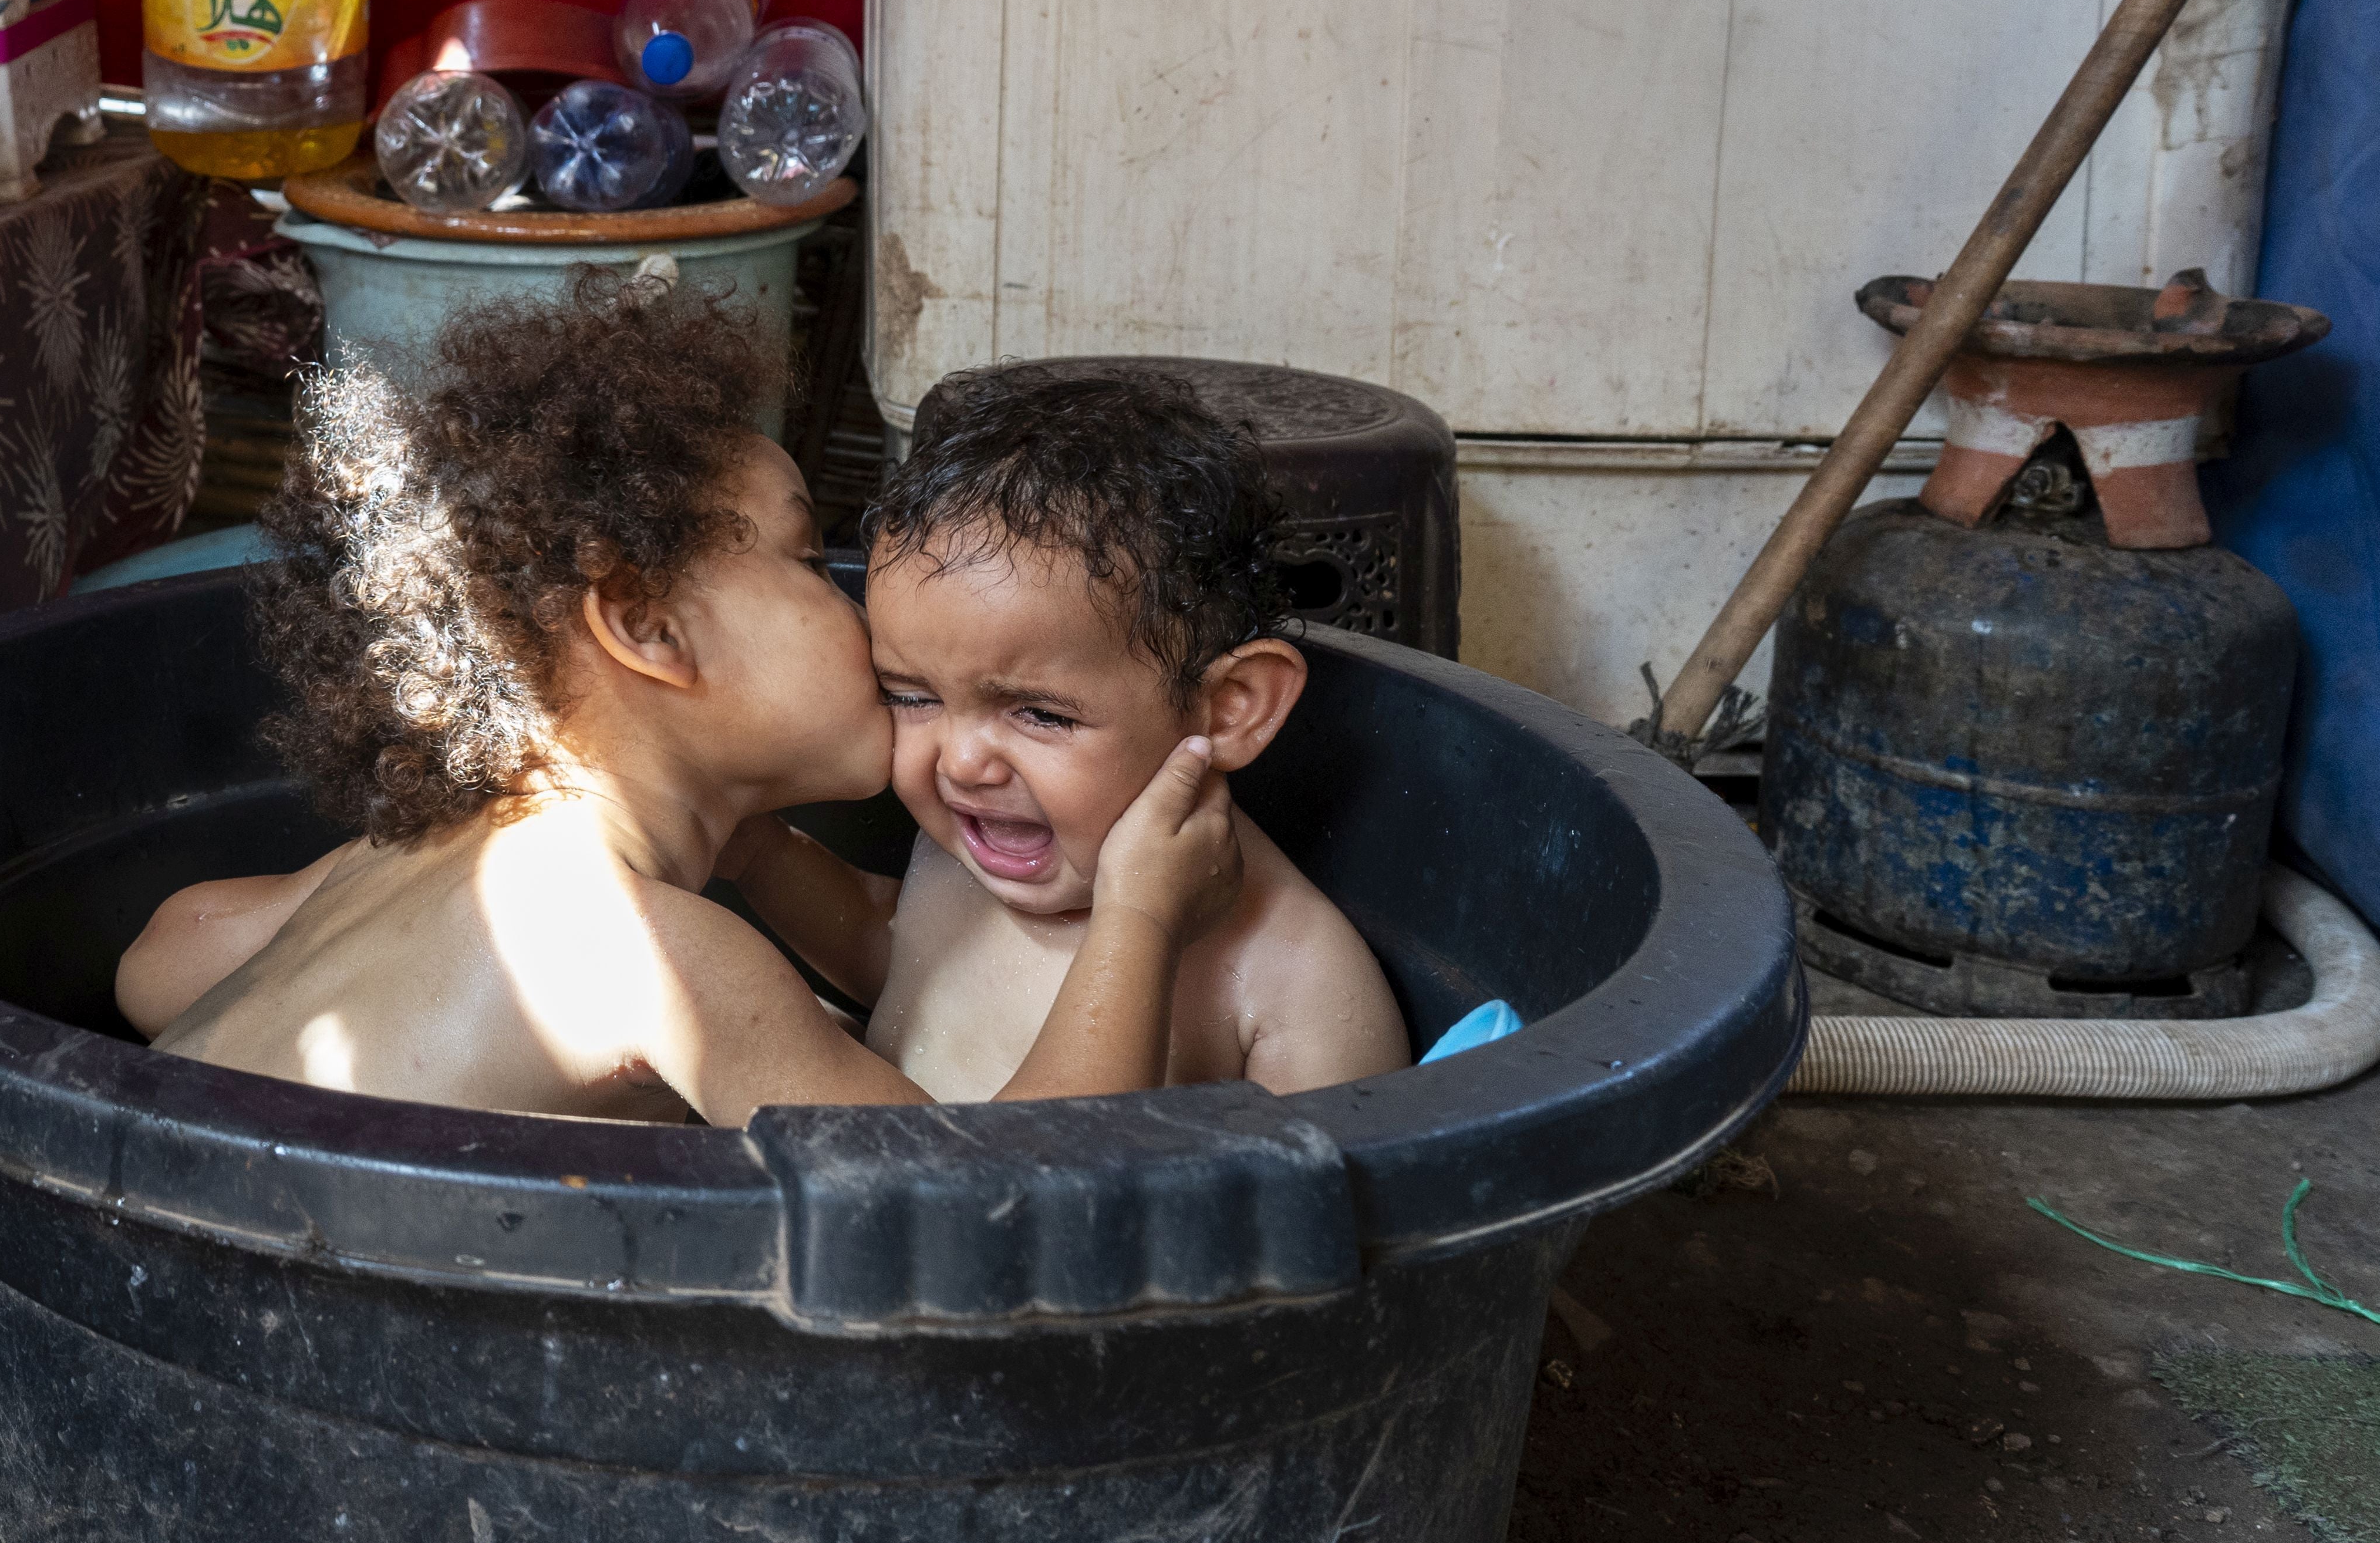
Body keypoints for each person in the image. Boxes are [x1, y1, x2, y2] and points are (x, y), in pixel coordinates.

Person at [114, 278, 1241, 1122]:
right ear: (647, 626)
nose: (859, 607)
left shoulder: (397, 857)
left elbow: (159, 960)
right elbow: (989, 1211)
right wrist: (1138, 915)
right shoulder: (660, 958)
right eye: (807, 560)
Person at [719, 365, 1411, 1099]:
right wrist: (761, 853)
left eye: (1041, 713)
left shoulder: (1294, 979)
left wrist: (1139, 919)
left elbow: (1343, 1171)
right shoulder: (968, 842)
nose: (961, 762)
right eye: (912, 696)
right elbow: (901, 961)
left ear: (1231, 706)